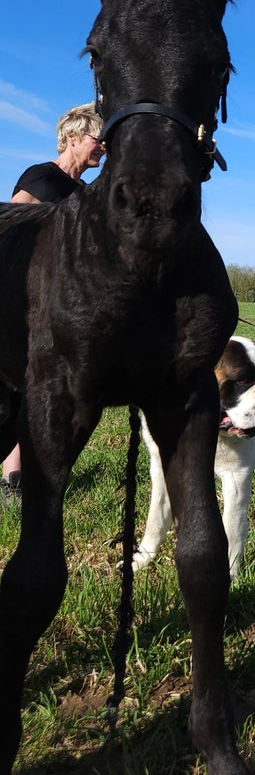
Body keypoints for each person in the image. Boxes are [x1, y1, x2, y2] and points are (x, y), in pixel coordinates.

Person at [2, 104, 106, 502]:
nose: (103, 149)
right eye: (99, 140)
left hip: (64, 303)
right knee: (12, 386)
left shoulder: (86, 195)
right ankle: (13, 479)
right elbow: (13, 225)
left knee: (43, 389)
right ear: (74, 137)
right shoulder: (40, 176)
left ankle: (35, 473)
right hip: (26, 296)